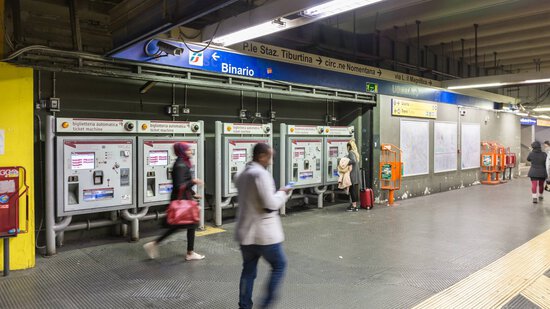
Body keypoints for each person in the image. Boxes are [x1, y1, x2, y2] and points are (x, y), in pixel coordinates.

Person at [234, 143, 291, 309]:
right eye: (269, 157)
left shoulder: (242, 174)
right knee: (279, 265)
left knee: (248, 271)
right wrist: (283, 193)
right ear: (261, 156)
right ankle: (264, 305)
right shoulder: (261, 175)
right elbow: (271, 204)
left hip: (245, 234)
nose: (271, 161)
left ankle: (244, 306)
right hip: (265, 235)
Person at [143, 142, 205, 261]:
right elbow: (179, 185)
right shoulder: (180, 165)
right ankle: (188, 252)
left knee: (183, 225)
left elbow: (183, 183)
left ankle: (187, 251)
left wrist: (193, 193)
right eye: (188, 149)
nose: (190, 151)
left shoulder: (183, 163)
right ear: (182, 151)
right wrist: (194, 182)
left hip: (183, 198)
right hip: (181, 200)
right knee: (186, 224)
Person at [346, 140, 361, 212]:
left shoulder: (351, 152)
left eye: (347, 146)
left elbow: (353, 161)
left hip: (352, 174)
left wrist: (346, 161)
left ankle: (354, 206)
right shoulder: (355, 153)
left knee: (352, 190)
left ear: (349, 146)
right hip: (355, 173)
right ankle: (353, 204)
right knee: (353, 190)